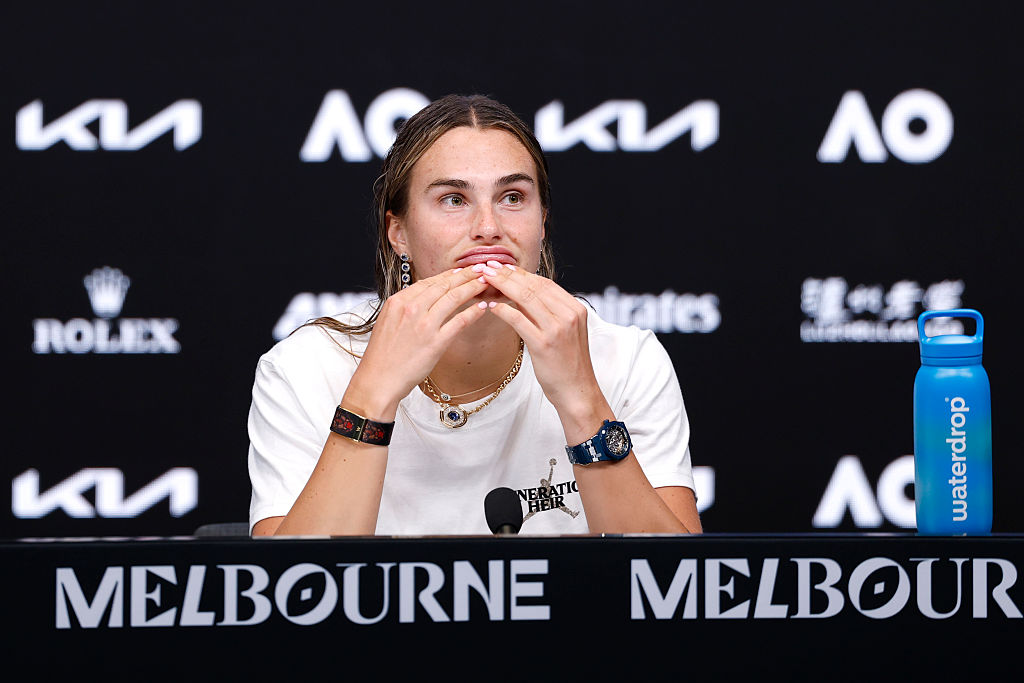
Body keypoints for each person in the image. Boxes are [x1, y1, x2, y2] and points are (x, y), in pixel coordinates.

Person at [248, 94, 702, 536]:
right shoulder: (304, 368)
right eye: (453, 199)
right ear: (398, 231)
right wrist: (372, 398)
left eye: (512, 197)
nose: (488, 228)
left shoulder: (627, 360)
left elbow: (671, 592)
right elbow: (292, 594)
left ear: (542, 223)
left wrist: (583, 403)